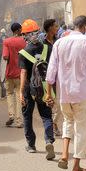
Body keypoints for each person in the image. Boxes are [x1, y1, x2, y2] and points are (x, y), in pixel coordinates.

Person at [45, 15, 86, 171]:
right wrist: (81, 71)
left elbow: (51, 71)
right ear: (85, 26)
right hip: (80, 90)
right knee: (81, 127)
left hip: (64, 92)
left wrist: (48, 93)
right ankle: (76, 167)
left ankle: (65, 154)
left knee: (67, 121)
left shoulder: (59, 42)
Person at [18, 18, 56, 159]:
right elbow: (53, 69)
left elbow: (23, 73)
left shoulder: (23, 53)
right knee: (46, 115)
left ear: (25, 35)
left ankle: (31, 145)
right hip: (45, 87)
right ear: (38, 31)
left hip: (29, 88)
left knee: (27, 116)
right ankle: (48, 140)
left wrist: (21, 93)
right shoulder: (48, 48)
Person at [2, 22, 26, 127]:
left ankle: (11, 115)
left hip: (9, 73)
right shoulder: (24, 42)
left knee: (9, 94)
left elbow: (5, 57)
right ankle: (19, 121)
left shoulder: (6, 41)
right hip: (20, 73)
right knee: (19, 95)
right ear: (18, 30)